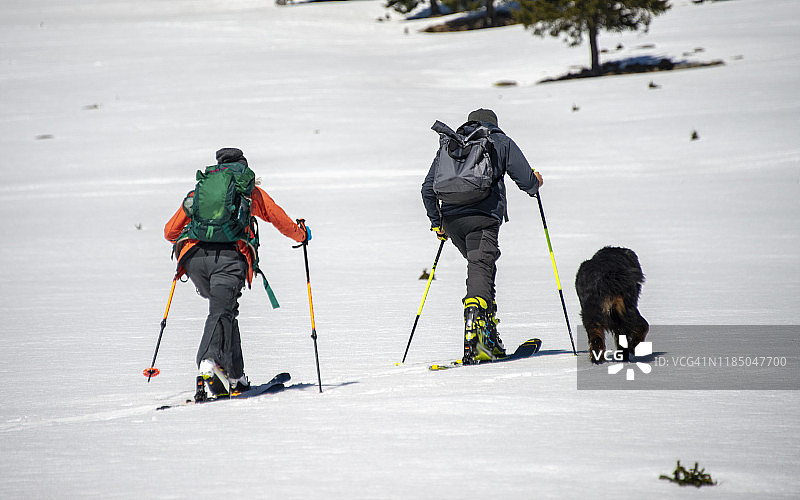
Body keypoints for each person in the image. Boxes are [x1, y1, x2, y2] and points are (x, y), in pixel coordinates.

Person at [164, 148, 309, 401]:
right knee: (221, 311)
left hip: (194, 259)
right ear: (243, 166)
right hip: (229, 260)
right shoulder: (248, 190)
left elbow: (169, 232)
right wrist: (302, 234)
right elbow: (280, 220)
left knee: (226, 310)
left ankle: (235, 375)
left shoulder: (199, 191)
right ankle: (207, 361)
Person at [421, 109, 543, 364]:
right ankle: (478, 337)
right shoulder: (498, 140)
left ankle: (487, 337)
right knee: (481, 266)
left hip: (452, 221)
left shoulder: (453, 143)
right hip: (482, 218)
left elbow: (427, 189)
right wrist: (536, 182)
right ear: (493, 123)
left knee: (482, 269)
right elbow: (526, 181)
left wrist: (437, 224)